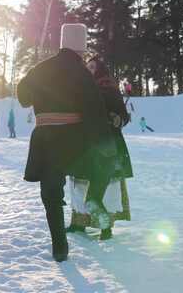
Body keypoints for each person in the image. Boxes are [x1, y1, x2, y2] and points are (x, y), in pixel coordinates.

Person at [17, 23, 116, 262]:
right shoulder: (81, 72)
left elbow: (22, 98)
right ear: (80, 49)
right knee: (101, 168)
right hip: (73, 138)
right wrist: (103, 142)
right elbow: (94, 111)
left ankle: (59, 246)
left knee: (51, 193)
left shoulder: (40, 68)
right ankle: (93, 197)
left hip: (44, 139)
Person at [67, 56, 133, 240]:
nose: (89, 70)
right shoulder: (81, 89)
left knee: (106, 187)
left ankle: (106, 228)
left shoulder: (110, 90)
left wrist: (118, 119)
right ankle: (78, 222)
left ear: (101, 70)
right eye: (87, 67)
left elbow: (124, 116)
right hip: (84, 144)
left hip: (106, 144)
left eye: (93, 67)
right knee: (79, 184)